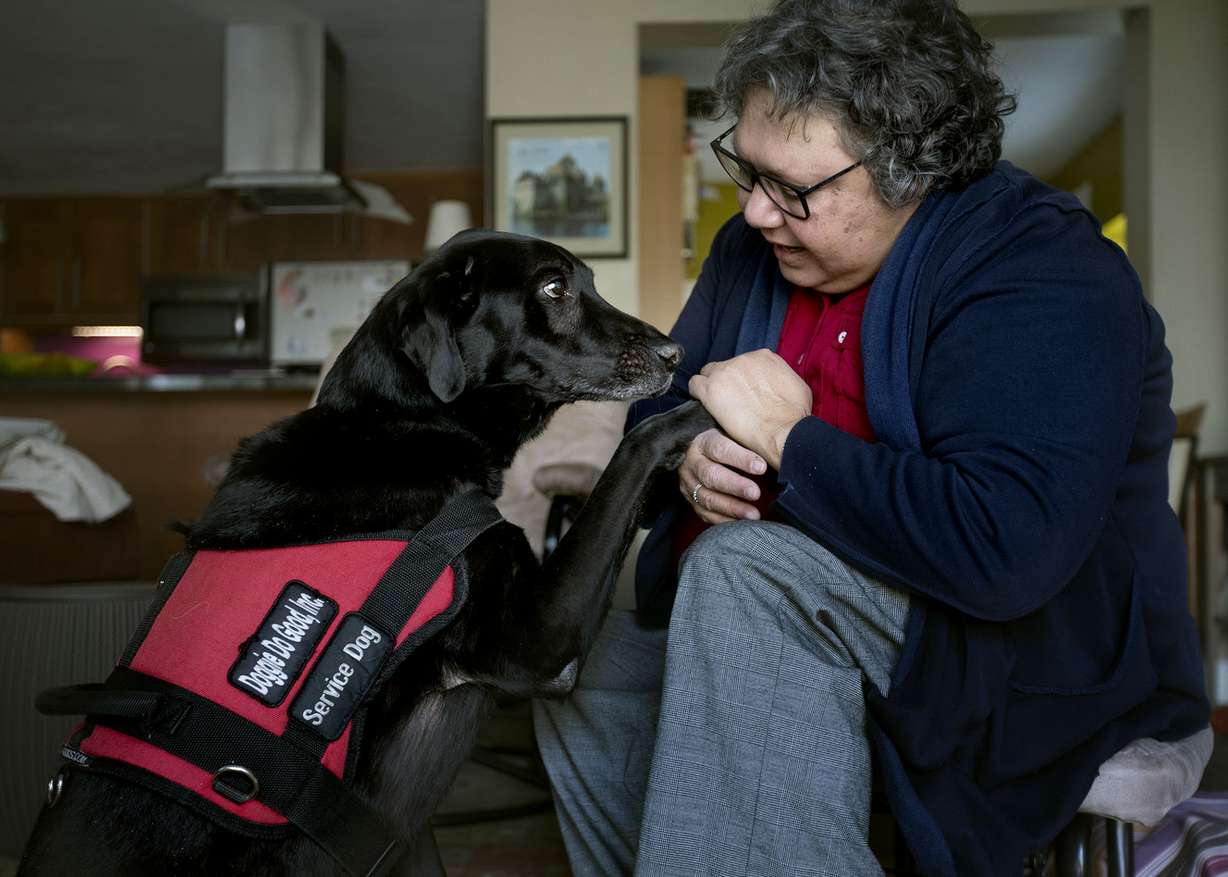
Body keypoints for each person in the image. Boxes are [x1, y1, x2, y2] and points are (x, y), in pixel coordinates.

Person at [532, 0, 1210, 874]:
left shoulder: (1044, 269)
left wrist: (790, 437)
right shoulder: (752, 249)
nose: (758, 212)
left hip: (1008, 643)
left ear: (913, 171)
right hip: (776, 608)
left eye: (795, 190)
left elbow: (1005, 550)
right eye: (749, 169)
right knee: (564, 646)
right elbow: (657, 415)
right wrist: (688, 459)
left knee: (743, 572)